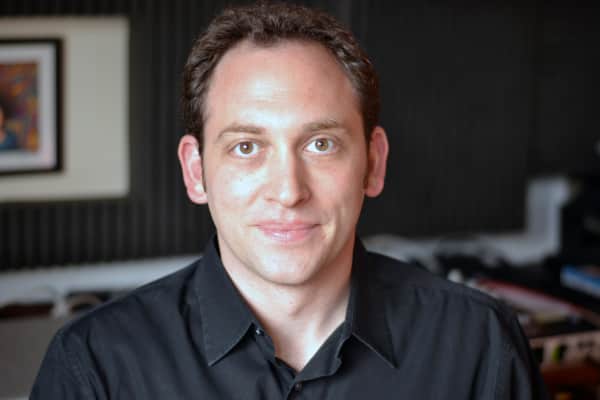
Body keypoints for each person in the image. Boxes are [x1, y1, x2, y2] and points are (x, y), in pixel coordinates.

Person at [31, 2, 548, 399]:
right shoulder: (94, 366)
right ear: (195, 171)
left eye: (320, 144)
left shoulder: (479, 343)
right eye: (246, 147)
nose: (288, 190)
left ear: (373, 163)